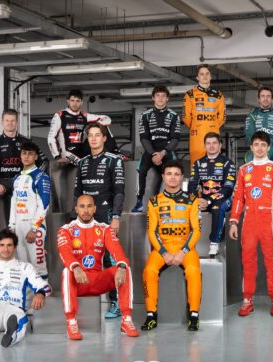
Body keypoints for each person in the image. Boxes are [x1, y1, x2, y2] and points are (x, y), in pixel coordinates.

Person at [57, 195, 138, 340]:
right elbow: (65, 251)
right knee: (67, 271)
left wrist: (121, 265)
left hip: (97, 281)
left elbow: (116, 248)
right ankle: (71, 321)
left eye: (89, 206)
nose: (86, 210)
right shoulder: (66, 230)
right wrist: (75, 267)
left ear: (94, 209)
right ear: (76, 209)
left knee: (124, 268)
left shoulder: (104, 229)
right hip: (78, 282)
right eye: (82, 206)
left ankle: (126, 320)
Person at [229, 131, 273, 317]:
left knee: (272, 262)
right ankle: (247, 300)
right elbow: (238, 198)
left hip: (269, 222)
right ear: (251, 147)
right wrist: (233, 221)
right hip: (249, 223)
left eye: (263, 145)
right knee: (247, 261)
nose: (260, 148)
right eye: (256, 144)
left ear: (269, 147)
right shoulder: (243, 170)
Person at [73, 122, 125, 318]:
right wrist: (76, 217)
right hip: (85, 217)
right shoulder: (82, 163)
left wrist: (116, 216)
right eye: (91, 135)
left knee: (110, 259)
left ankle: (116, 302)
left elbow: (119, 192)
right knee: (84, 256)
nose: (94, 138)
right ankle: (85, 300)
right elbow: (77, 193)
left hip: (106, 215)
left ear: (104, 138)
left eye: (97, 135)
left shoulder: (114, 160)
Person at [142, 161, 202, 331]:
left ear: (182, 177)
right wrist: (163, 252)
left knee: (193, 271)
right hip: (163, 248)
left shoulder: (192, 200)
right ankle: (151, 315)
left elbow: (197, 230)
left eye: (176, 174)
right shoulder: (154, 202)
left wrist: (183, 251)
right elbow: (152, 231)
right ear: (163, 177)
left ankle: (194, 316)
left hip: (186, 247)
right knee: (149, 271)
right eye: (169, 174)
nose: (173, 177)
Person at [0, 230, 50, 347]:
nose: (6, 249)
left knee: (19, 317)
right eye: (2, 245)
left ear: (15, 247)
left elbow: (44, 285)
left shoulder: (26, 267)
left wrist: (40, 294)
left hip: (14, 311)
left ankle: (12, 335)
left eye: (9, 245)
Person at [0, 108, 48, 225]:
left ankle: (29, 230)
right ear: (2, 122)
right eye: (7, 120)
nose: (10, 123)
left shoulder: (27, 142)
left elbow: (44, 161)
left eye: (12, 120)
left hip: (22, 182)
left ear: (17, 122)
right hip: (2, 182)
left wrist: (34, 177)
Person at [132, 85, 181, 213]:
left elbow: (175, 138)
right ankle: (139, 202)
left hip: (167, 150)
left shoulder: (174, 116)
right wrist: (153, 154)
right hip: (150, 150)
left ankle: (171, 199)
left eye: (163, 96)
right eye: (158, 95)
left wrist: (163, 153)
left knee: (174, 172)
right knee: (141, 170)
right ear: (153, 98)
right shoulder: (145, 115)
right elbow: (144, 138)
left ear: (167, 98)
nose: (160, 98)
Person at [188, 132, 237, 257]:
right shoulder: (198, 163)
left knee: (217, 207)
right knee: (187, 206)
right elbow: (192, 185)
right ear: (205, 145)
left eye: (214, 143)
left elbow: (228, 188)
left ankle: (214, 243)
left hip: (223, 199)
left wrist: (209, 200)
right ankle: (188, 243)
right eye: (208, 143)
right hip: (203, 200)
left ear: (220, 145)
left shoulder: (228, 163)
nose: (211, 146)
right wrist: (197, 200)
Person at [8, 141, 52, 279]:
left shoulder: (41, 177)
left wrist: (34, 228)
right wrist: (11, 226)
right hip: (18, 226)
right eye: (24, 153)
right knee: (22, 265)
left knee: (38, 266)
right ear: (20, 155)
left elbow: (44, 204)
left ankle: (43, 291)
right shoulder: (17, 178)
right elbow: (13, 203)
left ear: (36, 157)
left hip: (34, 227)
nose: (26, 156)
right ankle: (27, 292)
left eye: (30, 154)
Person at [48, 89, 117, 165]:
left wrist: (92, 126)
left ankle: (115, 151)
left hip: (82, 151)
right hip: (67, 154)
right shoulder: (60, 115)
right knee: (84, 165)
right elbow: (51, 137)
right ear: (68, 101)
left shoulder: (84, 116)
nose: (75, 104)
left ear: (81, 102)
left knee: (104, 127)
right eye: (72, 100)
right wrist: (57, 156)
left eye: (78, 101)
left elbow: (107, 119)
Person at [183, 64, 225, 167]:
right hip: (197, 137)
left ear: (211, 76)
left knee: (215, 167)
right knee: (196, 167)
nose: (205, 76)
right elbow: (186, 117)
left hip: (214, 136)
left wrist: (212, 126)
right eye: (202, 74)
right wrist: (197, 126)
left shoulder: (219, 95)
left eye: (207, 74)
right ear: (197, 77)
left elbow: (222, 117)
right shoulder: (190, 94)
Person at [244, 86, 273, 167]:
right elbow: (249, 135)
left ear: (272, 99)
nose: (265, 98)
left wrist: (271, 150)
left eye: (268, 96)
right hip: (257, 149)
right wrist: (259, 148)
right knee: (249, 163)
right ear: (259, 99)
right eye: (263, 96)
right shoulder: (252, 115)